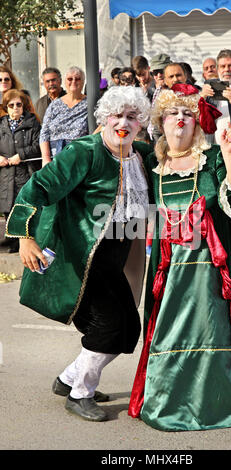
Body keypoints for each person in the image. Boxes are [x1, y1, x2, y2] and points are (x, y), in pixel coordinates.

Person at [128, 84, 231, 431]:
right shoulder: (149, 164)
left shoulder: (212, 158)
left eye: (188, 113)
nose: (181, 119)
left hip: (215, 276)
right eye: (173, 113)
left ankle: (223, 398)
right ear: (161, 123)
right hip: (170, 279)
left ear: (197, 124)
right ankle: (170, 397)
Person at [5, 85, 152, 422]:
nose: (123, 123)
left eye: (132, 117)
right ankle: (79, 393)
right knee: (111, 326)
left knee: (127, 328)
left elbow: (177, 156)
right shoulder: (85, 151)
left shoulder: (141, 153)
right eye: (117, 115)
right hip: (81, 258)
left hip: (115, 257)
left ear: (140, 123)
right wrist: (25, 237)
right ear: (104, 118)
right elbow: (37, 186)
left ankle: (69, 378)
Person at [0, 89, 41, 253]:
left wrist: (21, 155)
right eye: (11, 105)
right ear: (6, 107)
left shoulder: (33, 123)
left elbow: (39, 145)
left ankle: (24, 243)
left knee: (23, 206)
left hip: (25, 173)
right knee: (7, 207)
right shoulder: (1, 124)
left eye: (19, 104)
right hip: (5, 175)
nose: (15, 108)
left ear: (24, 106)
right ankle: (12, 242)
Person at [39, 66, 88, 165]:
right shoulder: (55, 105)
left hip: (79, 157)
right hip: (55, 158)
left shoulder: (89, 103)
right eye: (70, 79)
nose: (73, 81)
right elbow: (44, 133)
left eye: (77, 79)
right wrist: (46, 158)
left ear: (83, 81)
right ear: (65, 82)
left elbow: (103, 125)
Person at [147, 53, 172, 143]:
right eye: (155, 72)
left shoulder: (176, 90)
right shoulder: (154, 90)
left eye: (161, 71)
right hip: (153, 138)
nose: (158, 75)